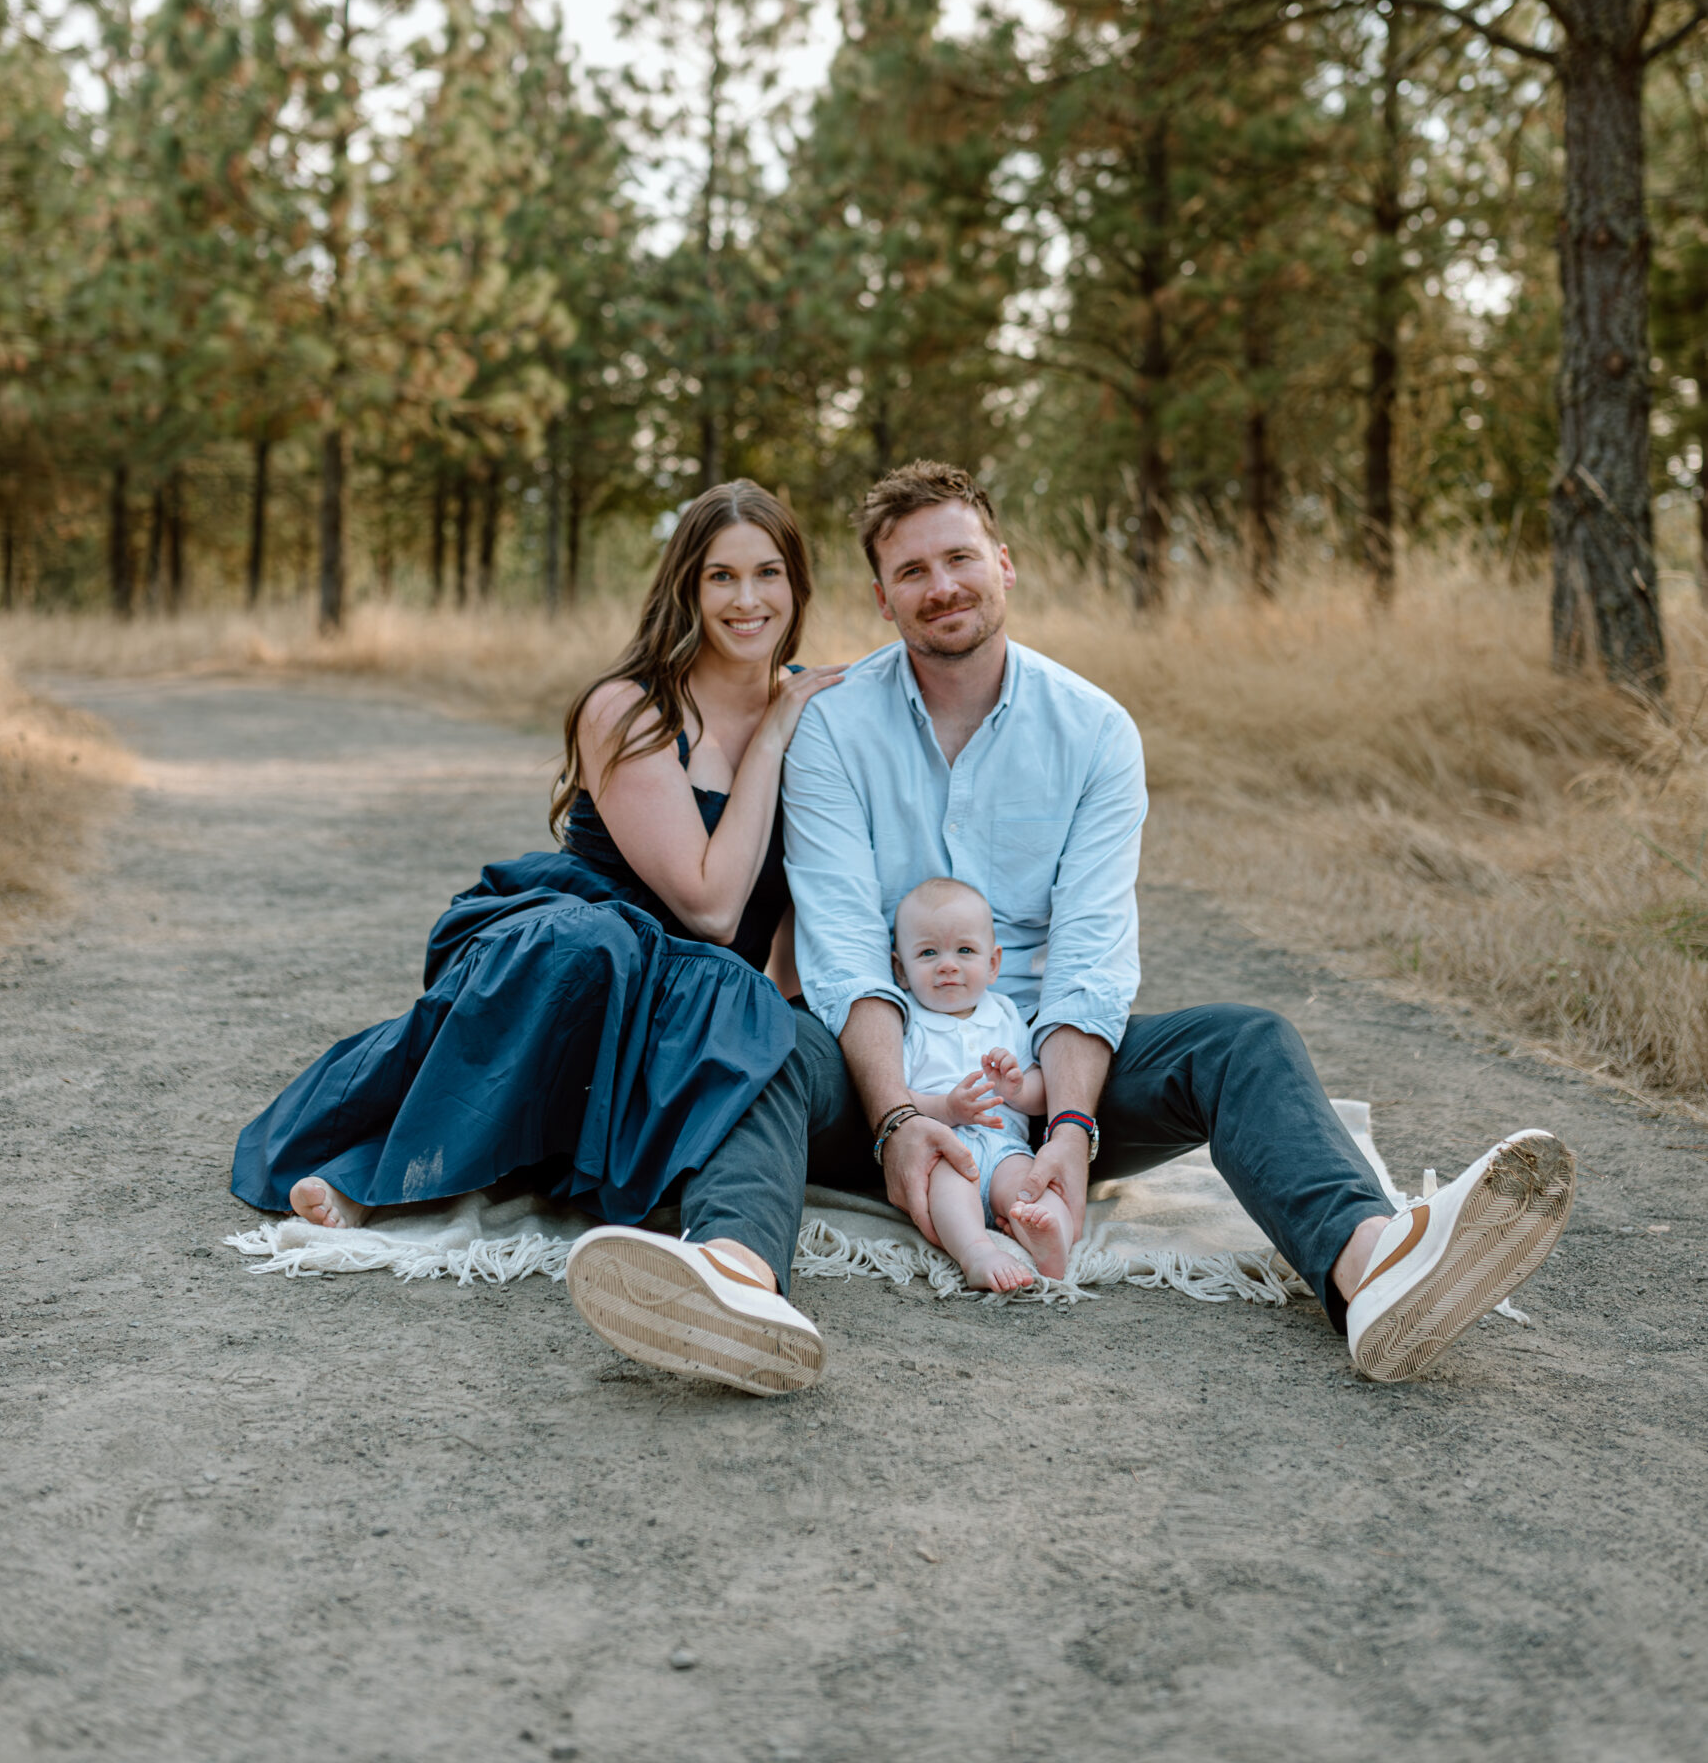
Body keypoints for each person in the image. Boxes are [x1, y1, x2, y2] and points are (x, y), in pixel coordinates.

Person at [571, 459, 1575, 1392]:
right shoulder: (833, 726)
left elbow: (1091, 960)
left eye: (959, 557)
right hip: (884, 1080)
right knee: (765, 1028)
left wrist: (1068, 1130)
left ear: (1001, 565)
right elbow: (839, 953)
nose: (941, 584)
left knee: (1242, 1041)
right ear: (882, 598)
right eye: (910, 569)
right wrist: (899, 1121)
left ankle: (1371, 1273)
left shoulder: (1092, 730)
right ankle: (734, 1278)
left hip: (1042, 1074)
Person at [233, 479, 842, 1397]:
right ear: (686, 586)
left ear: (796, 586)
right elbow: (712, 904)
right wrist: (772, 735)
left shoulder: (827, 716)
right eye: (721, 576)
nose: (746, 600)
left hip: (691, 990)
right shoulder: (630, 709)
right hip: (583, 947)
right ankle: (379, 1179)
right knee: (599, 952)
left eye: (767, 574)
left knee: (747, 1006)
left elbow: (798, 906)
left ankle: (725, 1285)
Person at [889, 874, 1067, 1292]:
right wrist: (946, 1110)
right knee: (950, 1189)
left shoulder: (1004, 1014)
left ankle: (1047, 1237)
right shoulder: (907, 1022)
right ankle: (977, 1252)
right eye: (928, 952)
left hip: (1007, 1147)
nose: (947, 964)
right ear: (901, 968)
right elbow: (900, 1097)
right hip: (945, 1149)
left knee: (1030, 1183)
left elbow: (1043, 1094)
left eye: (965, 950)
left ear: (992, 964)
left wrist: (1015, 1090)